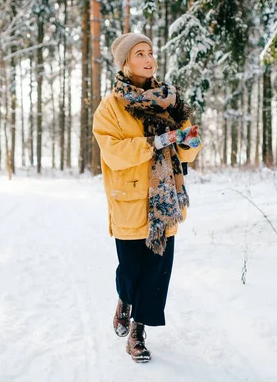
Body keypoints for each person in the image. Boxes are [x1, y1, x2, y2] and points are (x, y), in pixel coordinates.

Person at [92, 32, 202, 363]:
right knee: (131, 270)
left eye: (151, 51)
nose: (148, 58)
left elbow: (187, 148)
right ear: (125, 62)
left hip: (165, 201)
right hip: (129, 198)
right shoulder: (110, 106)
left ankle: (138, 331)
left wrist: (188, 142)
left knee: (157, 273)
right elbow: (113, 152)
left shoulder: (171, 100)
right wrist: (154, 142)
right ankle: (124, 299)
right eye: (140, 53)